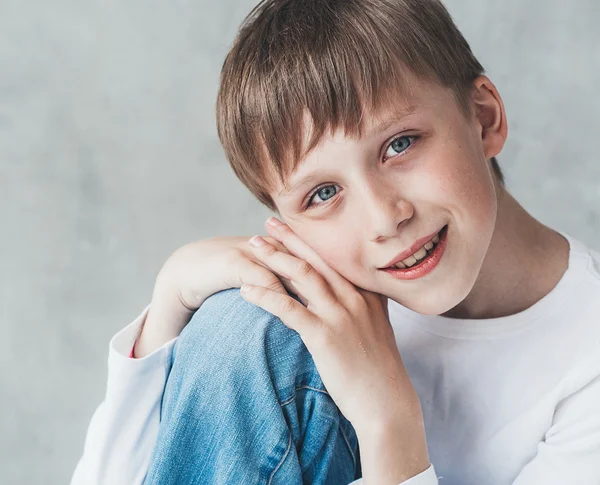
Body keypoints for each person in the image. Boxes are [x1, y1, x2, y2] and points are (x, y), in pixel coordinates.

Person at [71, 0, 600, 484]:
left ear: (484, 117)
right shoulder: (294, 323)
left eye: (399, 144)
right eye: (323, 193)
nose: (384, 219)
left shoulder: (587, 360)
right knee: (241, 323)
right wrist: (171, 303)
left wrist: (386, 421)